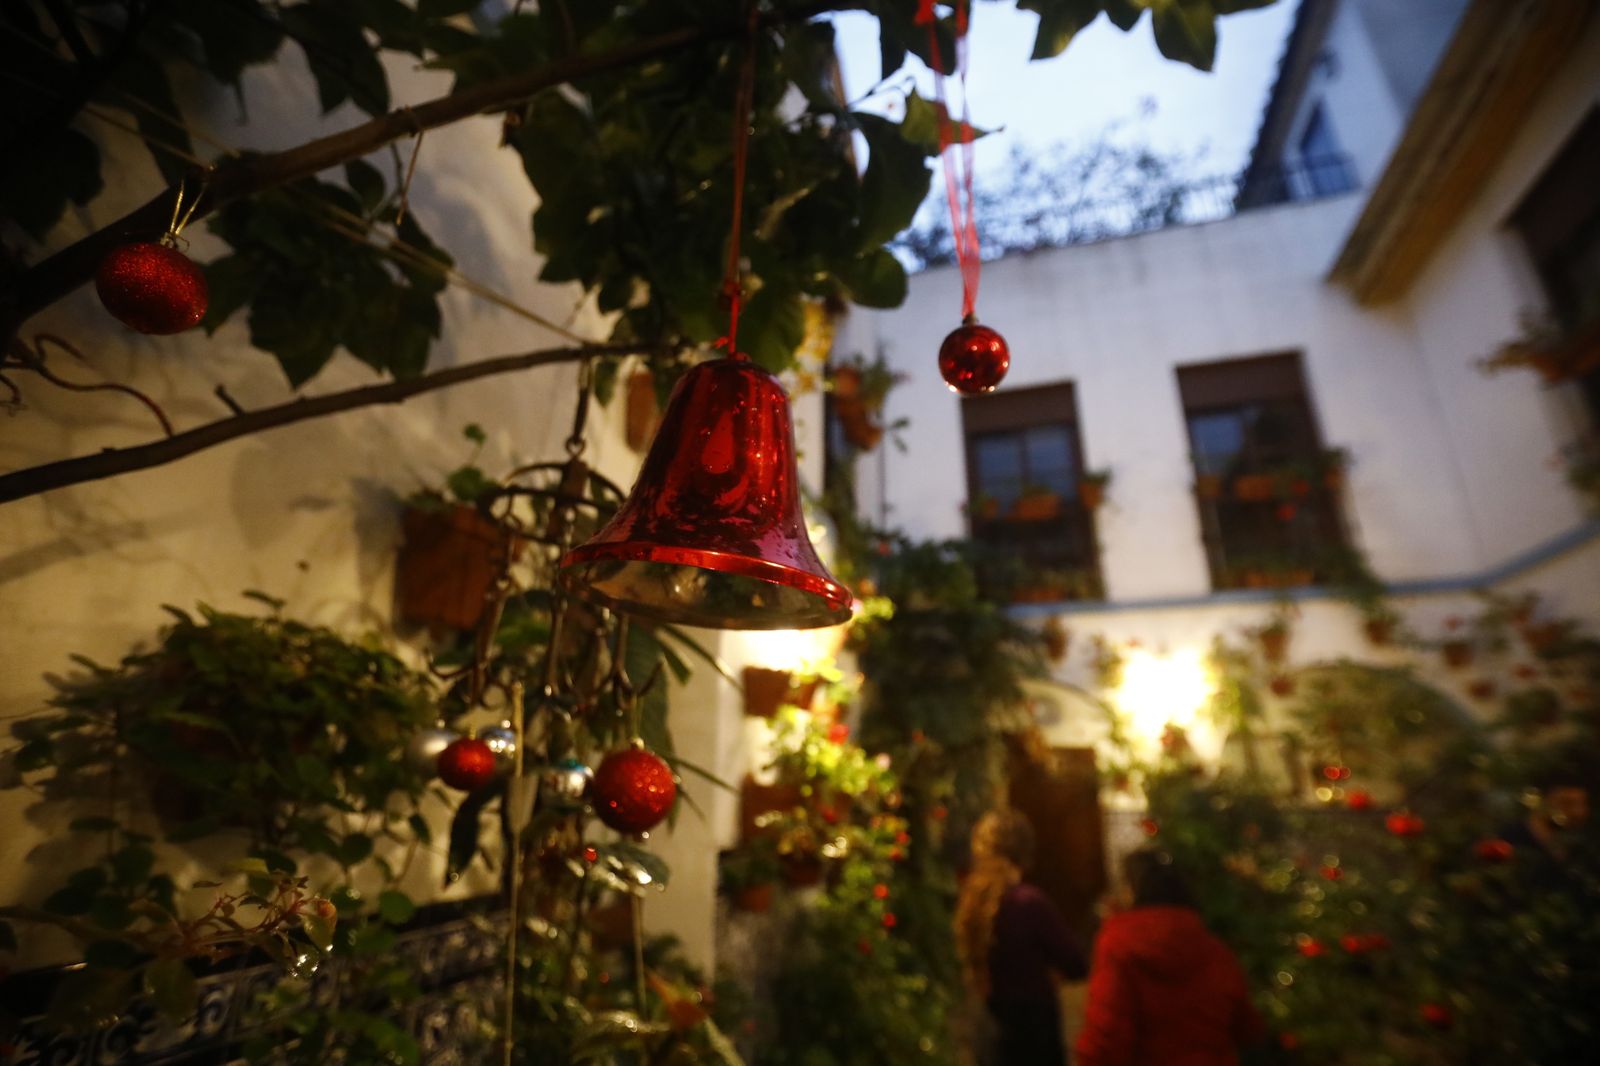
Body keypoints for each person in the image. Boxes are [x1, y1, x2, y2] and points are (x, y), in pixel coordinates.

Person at [1075, 848, 1263, 1066]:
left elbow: (1106, 1034)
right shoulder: (1214, 949)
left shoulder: (1117, 945)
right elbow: (1245, 1026)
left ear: (1132, 891)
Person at [955, 809, 1086, 1066]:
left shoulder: (971, 903)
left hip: (991, 1031)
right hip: (1034, 1032)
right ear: (1025, 852)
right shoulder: (1029, 903)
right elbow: (1076, 963)